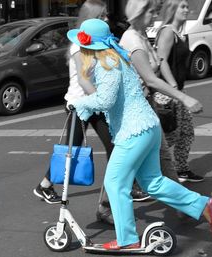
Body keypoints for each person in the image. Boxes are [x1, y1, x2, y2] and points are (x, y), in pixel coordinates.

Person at [67, 18, 212, 250]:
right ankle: (202, 204)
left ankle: (127, 239)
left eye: (82, 42)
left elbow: (106, 100)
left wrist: (80, 104)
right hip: (148, 126)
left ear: (89, 45)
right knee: (153, 182)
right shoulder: (117, 57)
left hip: (133, 130)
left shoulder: (104, 63)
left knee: (115, 182)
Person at [33, 0, 149, 225]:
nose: (107, 19)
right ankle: (46, 184)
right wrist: (105, 100)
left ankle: (121, 190)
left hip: (93, 104)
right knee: (72, 151)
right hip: (81, 105)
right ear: (91, 18)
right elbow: (85, 81)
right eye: (102, 16)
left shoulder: (95, 41)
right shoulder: (79, 46)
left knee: (109, 147)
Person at [119, 0, 203, 184]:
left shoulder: (141, 37)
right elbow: (151, 76)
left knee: (168, 146)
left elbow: (156, 64)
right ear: (139, 13)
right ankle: (113, 199)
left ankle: (180, 190)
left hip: (147, 100)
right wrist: (179, 93)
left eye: (156, 11)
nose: (155, 15)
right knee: (152, 148)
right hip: (140, 104)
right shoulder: (135, 38)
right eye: (151, 12)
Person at [156, 0, 204, 183]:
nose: (186, 9)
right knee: (169, 136)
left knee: (186, 133)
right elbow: (162, 60)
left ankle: (181, 169)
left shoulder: (179, 33)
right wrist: (173, 87)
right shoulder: (168, 32)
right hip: (168, 93)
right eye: (182, 6)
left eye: (186, 6)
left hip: (178, 91)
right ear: (172, 9)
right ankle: (148, 174)